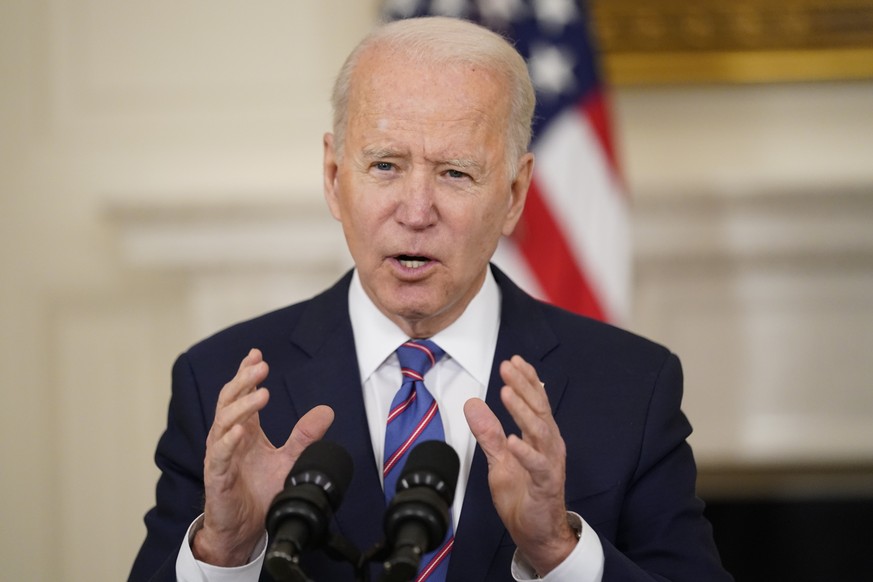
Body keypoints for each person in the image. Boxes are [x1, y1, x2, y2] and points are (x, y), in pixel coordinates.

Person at [129, 16, 731, 582]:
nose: (416, 213)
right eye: (385, 165)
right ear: (334, 176)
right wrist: (223, 552)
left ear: (516, 193)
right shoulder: (219, 387)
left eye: (456, 174)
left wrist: (558, 552)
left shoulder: (631, 386)